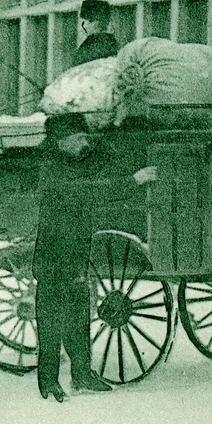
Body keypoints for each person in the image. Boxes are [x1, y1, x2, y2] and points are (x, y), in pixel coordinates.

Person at [32, 112, 157, 402]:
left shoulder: (71, 159)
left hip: (75, 251)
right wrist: (132, 181)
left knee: (77, 315)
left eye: (84, 139)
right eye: (77, 139)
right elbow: (84, 192)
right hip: (53, 256)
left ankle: (82, 375)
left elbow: (101, 159)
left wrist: (116, 124)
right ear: (61, 141)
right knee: (51, 319)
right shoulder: (50, 166)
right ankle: (48, 381)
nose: (83, 145)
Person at [73, 0, 119, 67]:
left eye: (85, 22)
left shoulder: (93, 44)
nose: (83, 26)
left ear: (95, 23)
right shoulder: (111, 41)